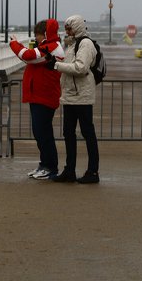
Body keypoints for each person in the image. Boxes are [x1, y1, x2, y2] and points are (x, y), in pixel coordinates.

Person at [45, 14, 100, 184]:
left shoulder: (85, 44)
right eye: (66, 28)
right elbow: (71, 67)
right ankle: (69, 170)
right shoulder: (72, 44)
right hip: (70, 96)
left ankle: (92, 172)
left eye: (69, 28)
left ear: (76, 28)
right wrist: (54, 61)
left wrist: (55, 65)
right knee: (68, 133)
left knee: (87, 133)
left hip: (82, 96)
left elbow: (80, 68)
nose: (66, 31)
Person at [9, 19, 65, 180]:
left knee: (43, 133)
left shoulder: (52, 48)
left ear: (45, 34)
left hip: (45, 96)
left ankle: (50, 167)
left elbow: (27, 56)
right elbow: (32, 57)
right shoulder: (47, 46)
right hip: (38, 96)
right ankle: (44, 164)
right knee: (40, 132)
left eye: (38, 35)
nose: (37, 38)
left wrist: (14, 44)